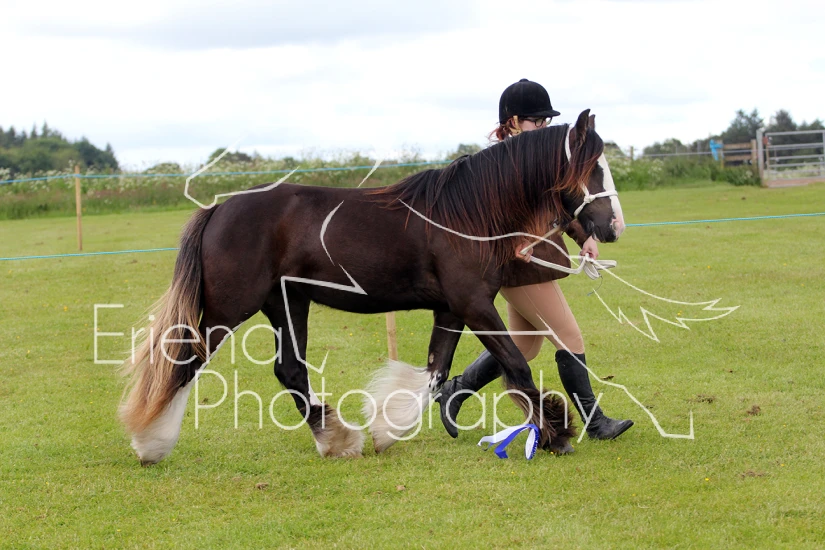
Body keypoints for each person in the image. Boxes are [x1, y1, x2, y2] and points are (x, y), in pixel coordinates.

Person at [435, 79, 633, 443]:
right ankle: (596, 423)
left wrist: (585, 236)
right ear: (512, 122)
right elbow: (486, 218)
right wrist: (515, 240)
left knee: (525, 346)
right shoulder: (497, 164)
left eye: (545, 121)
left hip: (537, 264)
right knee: (569, 337)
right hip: (520, 269)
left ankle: (455, 391)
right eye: (535, 121)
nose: (542, 127)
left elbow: (562, 202)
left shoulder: (539, 158)